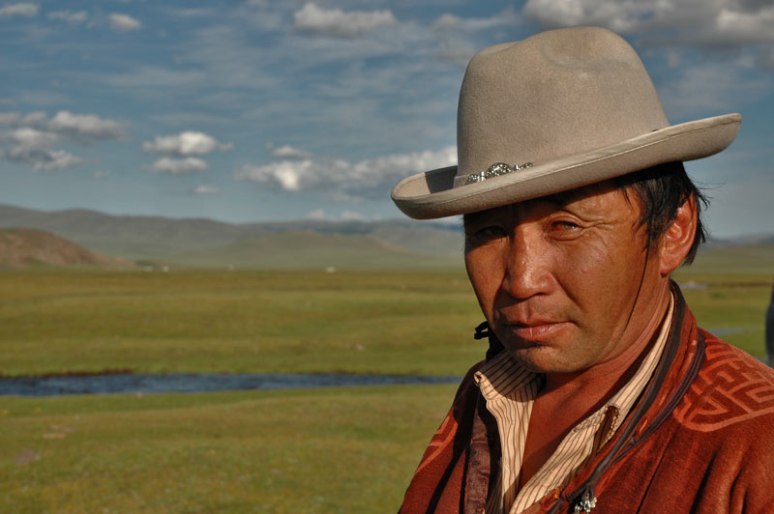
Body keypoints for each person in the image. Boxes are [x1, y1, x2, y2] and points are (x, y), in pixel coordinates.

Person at [391, 27, 774, 514]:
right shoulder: (486, 394)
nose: (521, 280)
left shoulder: (758, 448)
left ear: (672, 230)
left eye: (566, 224)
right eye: (488, 232)